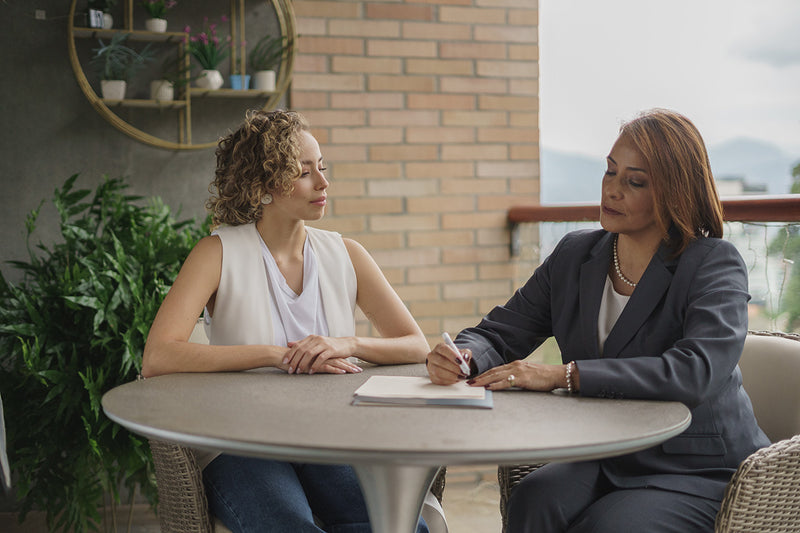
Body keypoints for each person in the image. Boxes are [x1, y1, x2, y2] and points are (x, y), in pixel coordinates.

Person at [426, 108, 770, 532]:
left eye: (635, 181)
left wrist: (564, 375)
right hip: (608, 453)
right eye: (610, 172)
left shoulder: (713, 264)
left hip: (698, 469)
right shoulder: (575, 256)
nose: (613, 190)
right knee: (534, 499)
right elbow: (499, 331)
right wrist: (466, 355)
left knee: (610, 526)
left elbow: (696, 371)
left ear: (675, 193)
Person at [142, 109, 433, 533]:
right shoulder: (217, 253)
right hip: (240, 442)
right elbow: (158, 355)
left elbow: (416, 344)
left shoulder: (345, 254)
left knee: (400, 527)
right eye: (303, 172)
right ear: (263, 186)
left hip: (327, 438)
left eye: (322, 168)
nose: (323, 183)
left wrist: (347, 343)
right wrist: (278, 355)